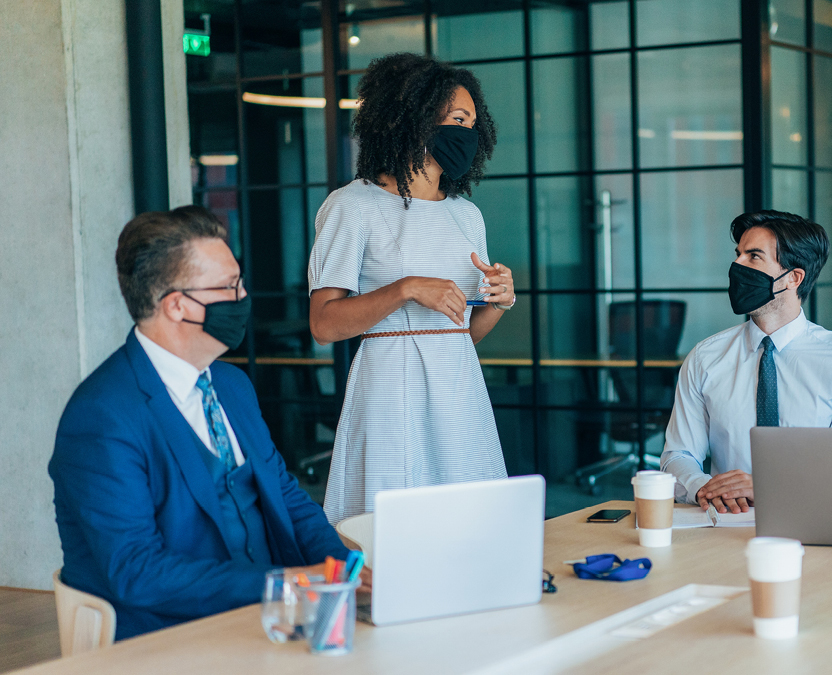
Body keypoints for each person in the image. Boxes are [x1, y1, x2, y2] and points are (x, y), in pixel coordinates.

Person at [50, 207, 361, 640]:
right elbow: (136, 571)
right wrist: (284, 584)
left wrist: (341, 570)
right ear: (177, 306)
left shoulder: (232, 385)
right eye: (228, 286)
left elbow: (285, 494)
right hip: (167, 636)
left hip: (274, 620)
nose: (244, 296)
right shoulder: (101, 416)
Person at [308, 53, 513, 524]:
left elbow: (464, 333)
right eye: (459, 119)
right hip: (389, 389)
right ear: (413, 117)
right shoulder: (352, 206)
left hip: (460, 388)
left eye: (474, 123)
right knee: (393, 524)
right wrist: (404, 289)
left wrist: (499, 300)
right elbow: (324, 324)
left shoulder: (466, 215)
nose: (470, 133)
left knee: (470, 519)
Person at [660, 210, 832, 513]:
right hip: (722, 521)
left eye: (753, 257)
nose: (736, 266)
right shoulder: (705, 358)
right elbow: (678, 455)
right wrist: (704, 487)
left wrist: (768, 487)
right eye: (738, 255)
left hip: (817, 522)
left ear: (793, 277)